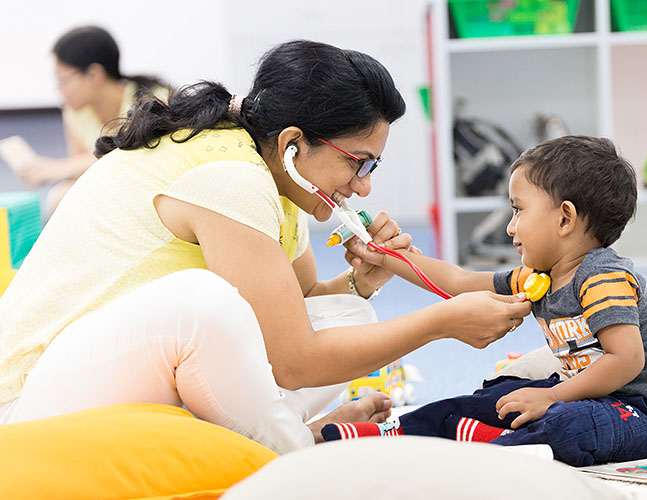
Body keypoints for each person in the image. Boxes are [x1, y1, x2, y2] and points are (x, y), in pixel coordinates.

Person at [0, 40, 532, 455]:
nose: (364, 186)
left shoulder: (274, 179)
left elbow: (294, 305)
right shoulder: (233, 178)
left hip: (109, 371)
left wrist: (357, 283)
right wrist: (440, 323)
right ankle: (300, 449)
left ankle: (290, 437)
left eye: (373, 166)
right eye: (358, 162)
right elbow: (295, 362)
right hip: (31, 398)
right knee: (202, 306)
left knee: (347, 313)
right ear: (293, 144)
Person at [323, 136, 647, 467]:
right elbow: (459, 282)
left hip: (646, 411)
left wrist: (551, 396)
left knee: (567, 425)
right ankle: (386, 436)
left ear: (565, 219)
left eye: (518, 210)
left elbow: (627, 359)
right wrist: (385, 256)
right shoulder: (540, 275)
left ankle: (489, 454)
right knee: (491, 398)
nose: (510, 226)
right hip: (583, 394)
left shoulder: (601, 277)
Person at [14, 26, 168, 214]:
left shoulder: (154, 101)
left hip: (151, 189)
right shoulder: (75, 111)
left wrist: (61, 168)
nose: (59, 89)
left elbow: (140, 162)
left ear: (94, 74)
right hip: (108, 188)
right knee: (60, 197)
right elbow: (79, 174)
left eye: (63, 80)